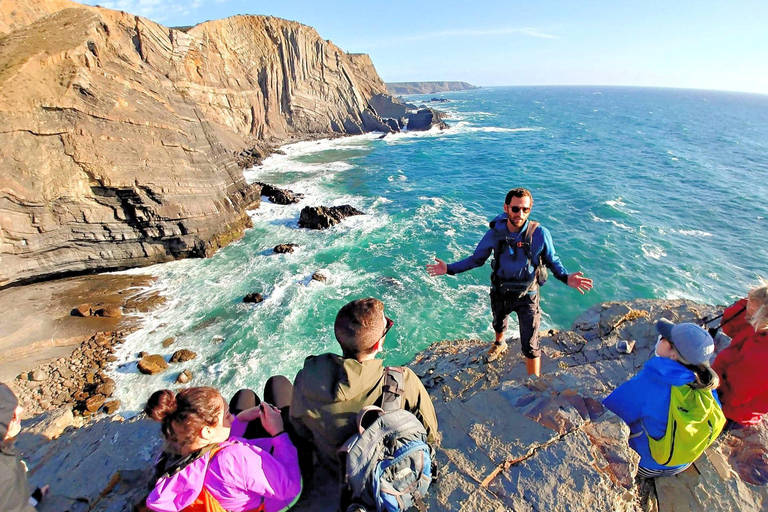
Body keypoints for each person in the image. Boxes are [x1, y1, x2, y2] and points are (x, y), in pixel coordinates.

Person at [426, 188, 593, 375]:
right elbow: (476, 259)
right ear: (506, 207)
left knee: (531, 345)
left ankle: (534, 384)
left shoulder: (540, 234)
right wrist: (449, 268)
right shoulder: (495, 234)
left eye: (525, 209)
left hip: (528, 294)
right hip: (500, 290)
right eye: (515, 209)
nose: (520, 214)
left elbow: (553, 261)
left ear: (530, 209)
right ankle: (499, 343)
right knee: (498, 323)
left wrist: (565, 277)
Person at [289, 298, 439, 468]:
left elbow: (298, 426)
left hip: (329, 462)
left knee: (276, 384)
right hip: (374, 472)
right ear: (378, 345)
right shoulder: (401, 380)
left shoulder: (306, 377)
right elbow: (430, 433)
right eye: (387, 326)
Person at [144, 386, 302, 512]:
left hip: (230, 484)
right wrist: (278, 433)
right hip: (279, 500)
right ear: (207, 432)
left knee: (245, 394)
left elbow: (215, 448)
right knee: (277, 384)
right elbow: (290, 489)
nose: (232, 418)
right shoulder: (233, 458)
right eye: (227, 416)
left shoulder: (172, 453)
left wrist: (240, 419)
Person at [603, 320, 721, 478]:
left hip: (647, 465)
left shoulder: (648, 384)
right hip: (683, 463)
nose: (660, 337)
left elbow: (610, 414)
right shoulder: (706, 383)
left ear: (673, 354)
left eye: (665, 338)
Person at [712, 280, 768, 426]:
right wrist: (746, 305)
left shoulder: (761, 355)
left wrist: (709, 386)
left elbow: (735, 394)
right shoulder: (759, 328)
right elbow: (729, 327)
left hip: (730, 410)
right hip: (723, 386)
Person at [1, 383, 48, 512]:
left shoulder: (5, 451)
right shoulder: (4, 474)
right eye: (10, 414)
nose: (21, 410)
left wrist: (33, 500)